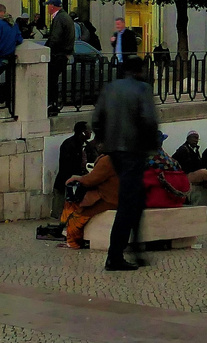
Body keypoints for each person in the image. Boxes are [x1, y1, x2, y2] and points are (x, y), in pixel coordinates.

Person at [93, 56, 160, 270]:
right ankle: (115, 255)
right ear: (140, 70)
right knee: (128, 203)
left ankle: (137, 248)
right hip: (134, 150)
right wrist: (151, 147)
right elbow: (149, 120)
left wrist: (105, 141)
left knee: (136, 199)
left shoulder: (110, 88)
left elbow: (96, 120)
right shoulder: (143, 89)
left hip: (114, 150)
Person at [60, 150, 119, 249]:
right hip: (115, 196)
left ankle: (73, 242)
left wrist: (78, 178)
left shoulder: (107, 160)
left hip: (109, 199)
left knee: (79, 214)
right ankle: (64, 229)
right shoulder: (119, 157)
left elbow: (91, 180)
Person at [53, 122, 92, 219]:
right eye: (88, 131)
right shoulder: (70, 145)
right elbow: (68, 165)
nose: (90, 133)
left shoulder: (85, 145)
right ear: (83, 132)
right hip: (68, 181)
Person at [44, 0, 75, 115]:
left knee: (51, 81)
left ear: (52, 6)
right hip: (63, 54)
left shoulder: (59, 18)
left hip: (57, 55)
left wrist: (47, 49)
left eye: (48, 5)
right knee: (54, 81)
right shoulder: (65, 17)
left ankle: (52, 105)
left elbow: (55, 38)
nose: (47, 8)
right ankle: (54, 105)